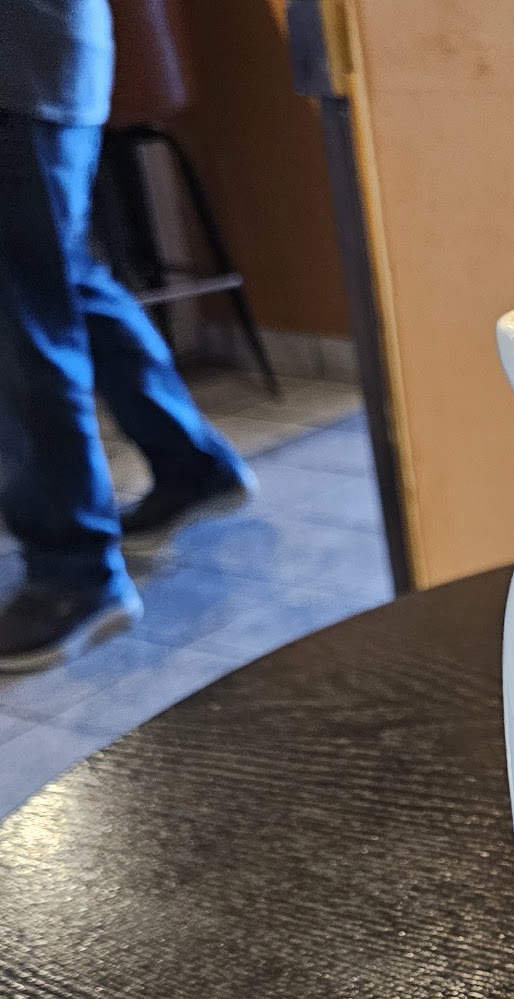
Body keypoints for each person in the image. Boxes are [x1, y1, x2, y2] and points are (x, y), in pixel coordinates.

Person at [0, 0, 253, 673]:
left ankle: (72, 575)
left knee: (22, 323)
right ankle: (192, 467)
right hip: (44, 62)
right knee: (63, 286)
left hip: (15, 67)